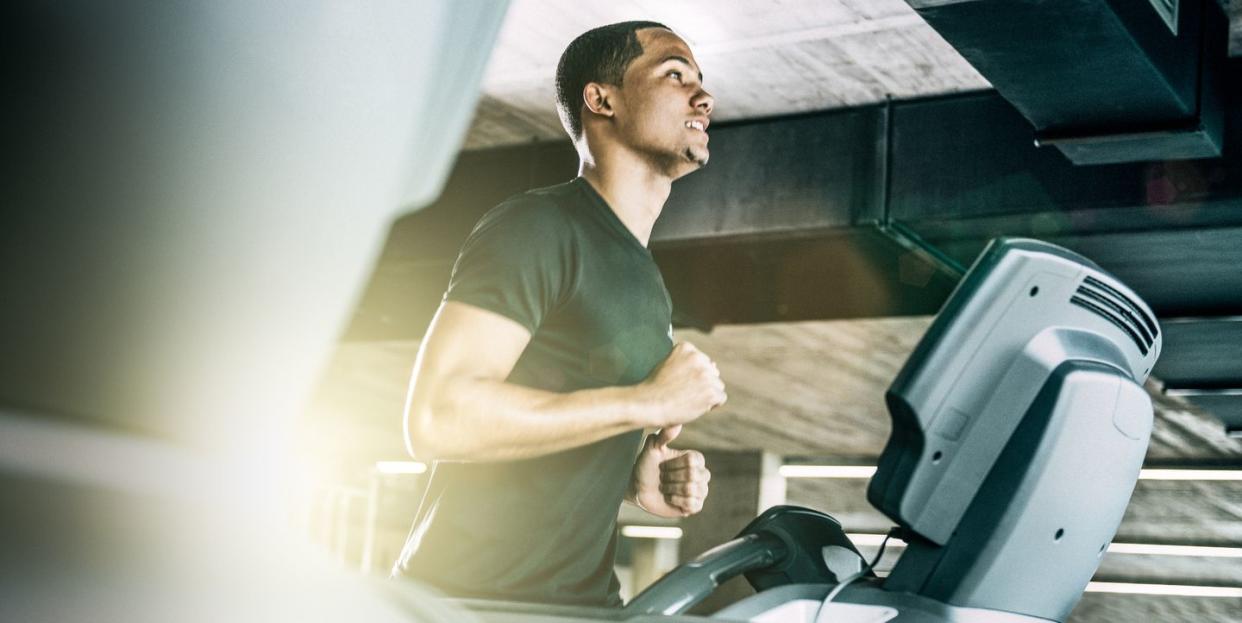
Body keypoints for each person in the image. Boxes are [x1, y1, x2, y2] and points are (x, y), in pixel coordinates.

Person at [392, 21, 724, 607]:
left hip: (581, 603)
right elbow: (438, 419)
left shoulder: (644, 276)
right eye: (676, 74)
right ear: (602, 99)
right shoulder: (538, 227)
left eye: (701, 81)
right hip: (468, 603)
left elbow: (553, 436)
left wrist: (632, 482)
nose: (704, 97)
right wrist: (644, 402)